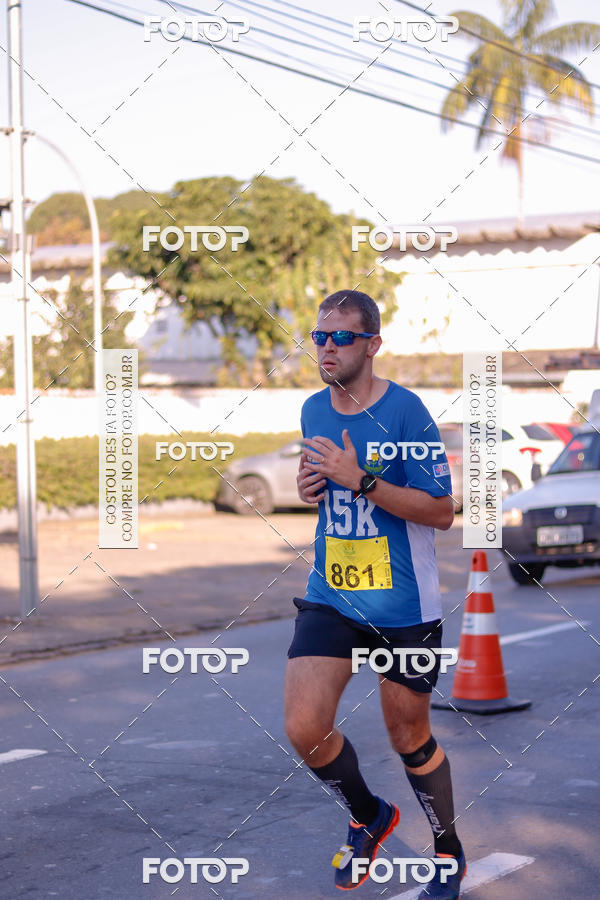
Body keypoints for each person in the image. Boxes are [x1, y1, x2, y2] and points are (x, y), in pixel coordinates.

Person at [284, 290, 466, 896]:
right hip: (332, 592)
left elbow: (441, 510)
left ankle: (446, 849)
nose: (327, 347)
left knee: (408, 736)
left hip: (404, 606)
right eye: (319, 337)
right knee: (304, 727)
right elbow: (323, 485)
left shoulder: (408, 413)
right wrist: (313, 485)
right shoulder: (313, 408)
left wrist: (359, 479)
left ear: (372, 344)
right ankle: (370, 815)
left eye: (340, 337)